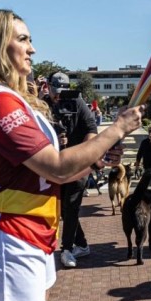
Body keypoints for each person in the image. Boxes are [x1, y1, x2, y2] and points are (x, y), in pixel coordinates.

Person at [0, 9, 143, 301]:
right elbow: (56, 167)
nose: (32, 49)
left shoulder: (12, 100)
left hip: (30, 231)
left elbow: (53, 174)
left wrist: (96, 159)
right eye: (23, 39)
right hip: (7, 233)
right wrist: (115, 130)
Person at [43, 71, 99, 268]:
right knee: (65, 211)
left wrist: (85, 153)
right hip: (54, 164)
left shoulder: (77, 102)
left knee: (71, 206)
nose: (59, 96)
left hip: (77, 165)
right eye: (55, 91)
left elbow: (92, 128)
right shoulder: (42, 105)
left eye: (63, 92)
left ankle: (66, 249)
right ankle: (81, 244)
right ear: (48, 87)